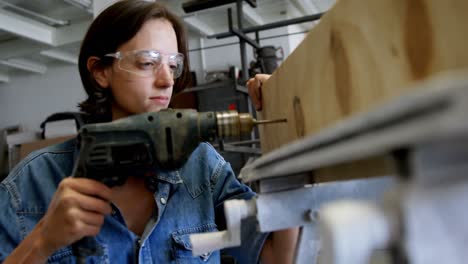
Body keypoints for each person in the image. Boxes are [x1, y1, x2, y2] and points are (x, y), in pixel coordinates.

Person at [0, 1, 297, 263]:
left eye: (173, 64)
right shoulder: (30, 183)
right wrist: (43, 241)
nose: (167, 80)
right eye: (147, 62)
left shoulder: (204, 167)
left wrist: (285, 141)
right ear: (100, 71)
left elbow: (278, 256)